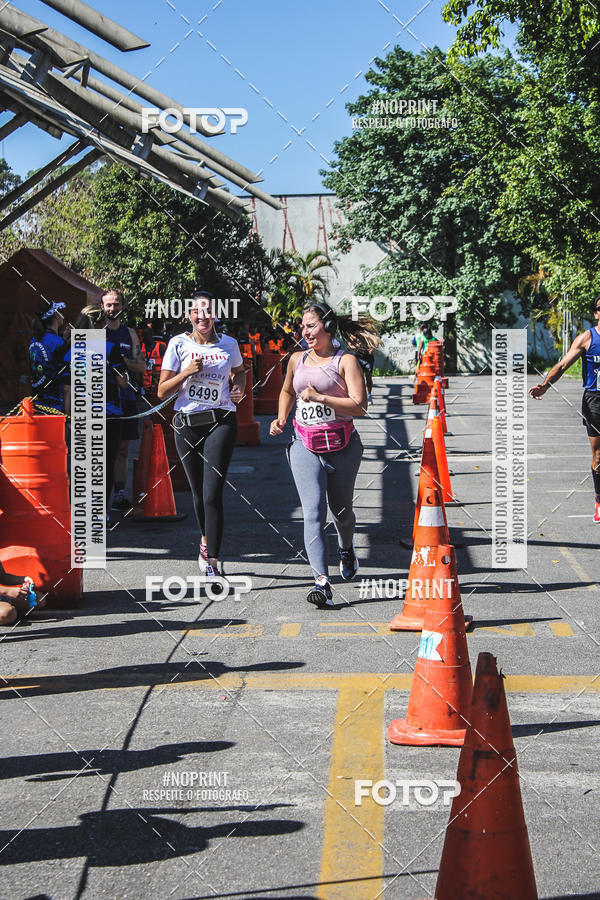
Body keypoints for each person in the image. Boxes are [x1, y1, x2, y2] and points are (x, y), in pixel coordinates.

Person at [269, 302, 380, 607]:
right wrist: (281, 417)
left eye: (311, 326)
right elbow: (287, 391)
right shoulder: (296, 360)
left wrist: (320, 397)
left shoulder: (346, 362)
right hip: (304, 444)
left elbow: (360, 406)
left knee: (341, 512)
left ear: (327, 327)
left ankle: (346, 547)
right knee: (314, 512)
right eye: (303, 327)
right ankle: (321, 581)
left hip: (342, 446)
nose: (305, 332)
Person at [158, 291, 246, 578]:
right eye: (196, 312)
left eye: (207, 311)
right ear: (189, 316)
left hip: (221, 420)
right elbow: (162, 391)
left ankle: (215, 563)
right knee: (197, 494)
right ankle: (205, 541)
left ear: (215, 315)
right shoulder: (178, 344)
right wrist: (185, 373)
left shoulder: (229, 344)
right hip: (186, 423)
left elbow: (240, 372)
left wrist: (239, 387)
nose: (202, 317)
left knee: (212, 493)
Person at [529, 298, 600, 522]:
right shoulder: (587, 338)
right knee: (599, 456)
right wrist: (544, 386)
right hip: (595, 401)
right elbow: (562, 366)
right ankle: (599, 502)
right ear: (596, 313)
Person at [69, 306, 129, 509]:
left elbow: (69, 389)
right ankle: (101, 510)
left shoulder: (72, 349)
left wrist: (69, 418)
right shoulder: (109, 348)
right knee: (106, 462)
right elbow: (122, 382)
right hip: (108, 414)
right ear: (99, 324)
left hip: (81, 414)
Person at [101, 290, 146, 511]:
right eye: (108, 305)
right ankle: (99, 500)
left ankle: (119, 495)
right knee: (101, 451)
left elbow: (141, 366)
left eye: (116, 304)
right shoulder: (96, 333)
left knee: (122, 450)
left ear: (123, 307)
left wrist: (121, 360)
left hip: (126, 399)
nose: (112, 309)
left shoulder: (130, 334)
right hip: (101, 400)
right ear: (102, 307)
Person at [29, 299, 70, 413]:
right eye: (62, 312)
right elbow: (67, 384)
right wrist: (68, 418)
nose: (63, 316)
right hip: (55, 406)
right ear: (56, 314)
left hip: (37, 405)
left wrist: (64, 342)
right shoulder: (57, 342)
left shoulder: (34, 340)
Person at [0, 560, 40, 626]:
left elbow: (3, 577)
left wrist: (23, 579)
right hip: (3, 592)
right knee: (7, 613)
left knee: (38, 599)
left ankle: (12, 611)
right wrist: (7, 591)